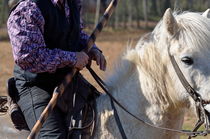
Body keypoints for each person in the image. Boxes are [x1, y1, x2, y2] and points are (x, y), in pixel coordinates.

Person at [7, 0, 107, 138]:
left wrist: (92, 49)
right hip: (36, 85)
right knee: (54, 136)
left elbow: (75, 34)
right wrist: (72, 58)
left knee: (104, 115)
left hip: (68, 79)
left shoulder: (72, 3)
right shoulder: (28, 9)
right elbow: (28, 57)